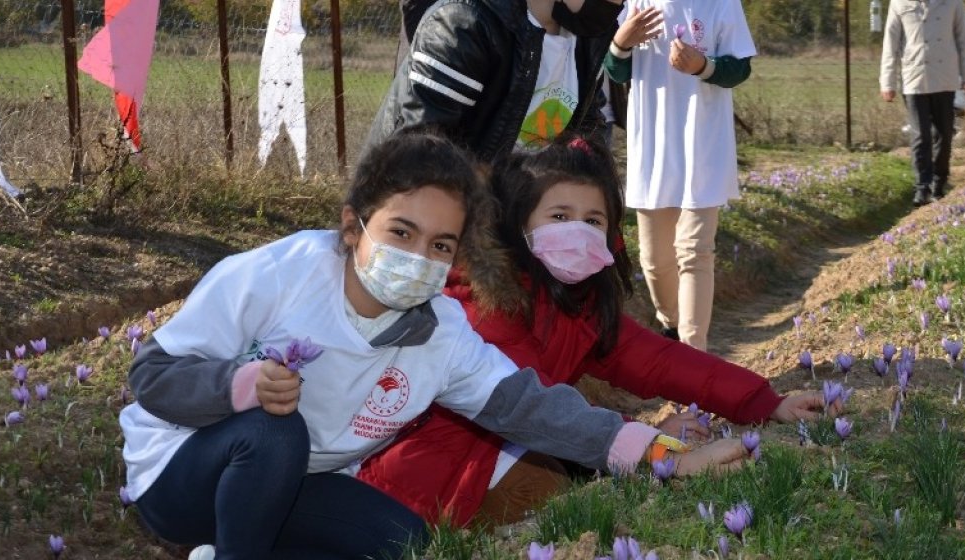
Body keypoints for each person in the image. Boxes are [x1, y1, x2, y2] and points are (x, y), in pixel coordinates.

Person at [119, 130, 749, 560]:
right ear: (352, 225)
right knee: (274, 428)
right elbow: (151, 374)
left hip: (296, 485)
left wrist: (669, 457)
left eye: (441, 244)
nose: (419, 258)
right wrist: (238, 384)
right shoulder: (277, 275)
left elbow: (531, 409)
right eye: (401, 232)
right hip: (184, 472)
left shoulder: (441, 334)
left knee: (409, 548)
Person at [357, 134, 834, 528]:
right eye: (559, 217)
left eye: (593, 221)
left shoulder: (579, 305)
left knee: (557, 479)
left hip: (486, 459)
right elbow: (539, 407)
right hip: (422, 486)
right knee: (549, 488)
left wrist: (764, 402)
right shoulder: (486, 305)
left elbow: (662, 360)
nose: (578, 232)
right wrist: (654, 444)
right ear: (517, 225)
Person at [602, 0, 755, 351]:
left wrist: (703, 66)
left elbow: (740, 67)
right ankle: (671, 324)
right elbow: (618, 72)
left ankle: (692, 352)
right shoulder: (640, 2)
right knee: (654, 262)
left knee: (695, 251)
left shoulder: (721, 4)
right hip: (653, 147)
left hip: (703, 144)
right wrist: (620, 44)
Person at [370, 0, 624, 163]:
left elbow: (587, 131)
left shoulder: (586, 36)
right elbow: (421, 160)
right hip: (440, 229)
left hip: (515, 222)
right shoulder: (464, 23)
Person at [879, 0, 965, 206]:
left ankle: (938, 183)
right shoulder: (899, 3)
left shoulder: (952, 3)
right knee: (920, 135)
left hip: (945, 78)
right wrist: (887, 82)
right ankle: (921, 186)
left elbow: (964, 39)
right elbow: (891, 43)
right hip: (914, 77)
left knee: (944, 133)